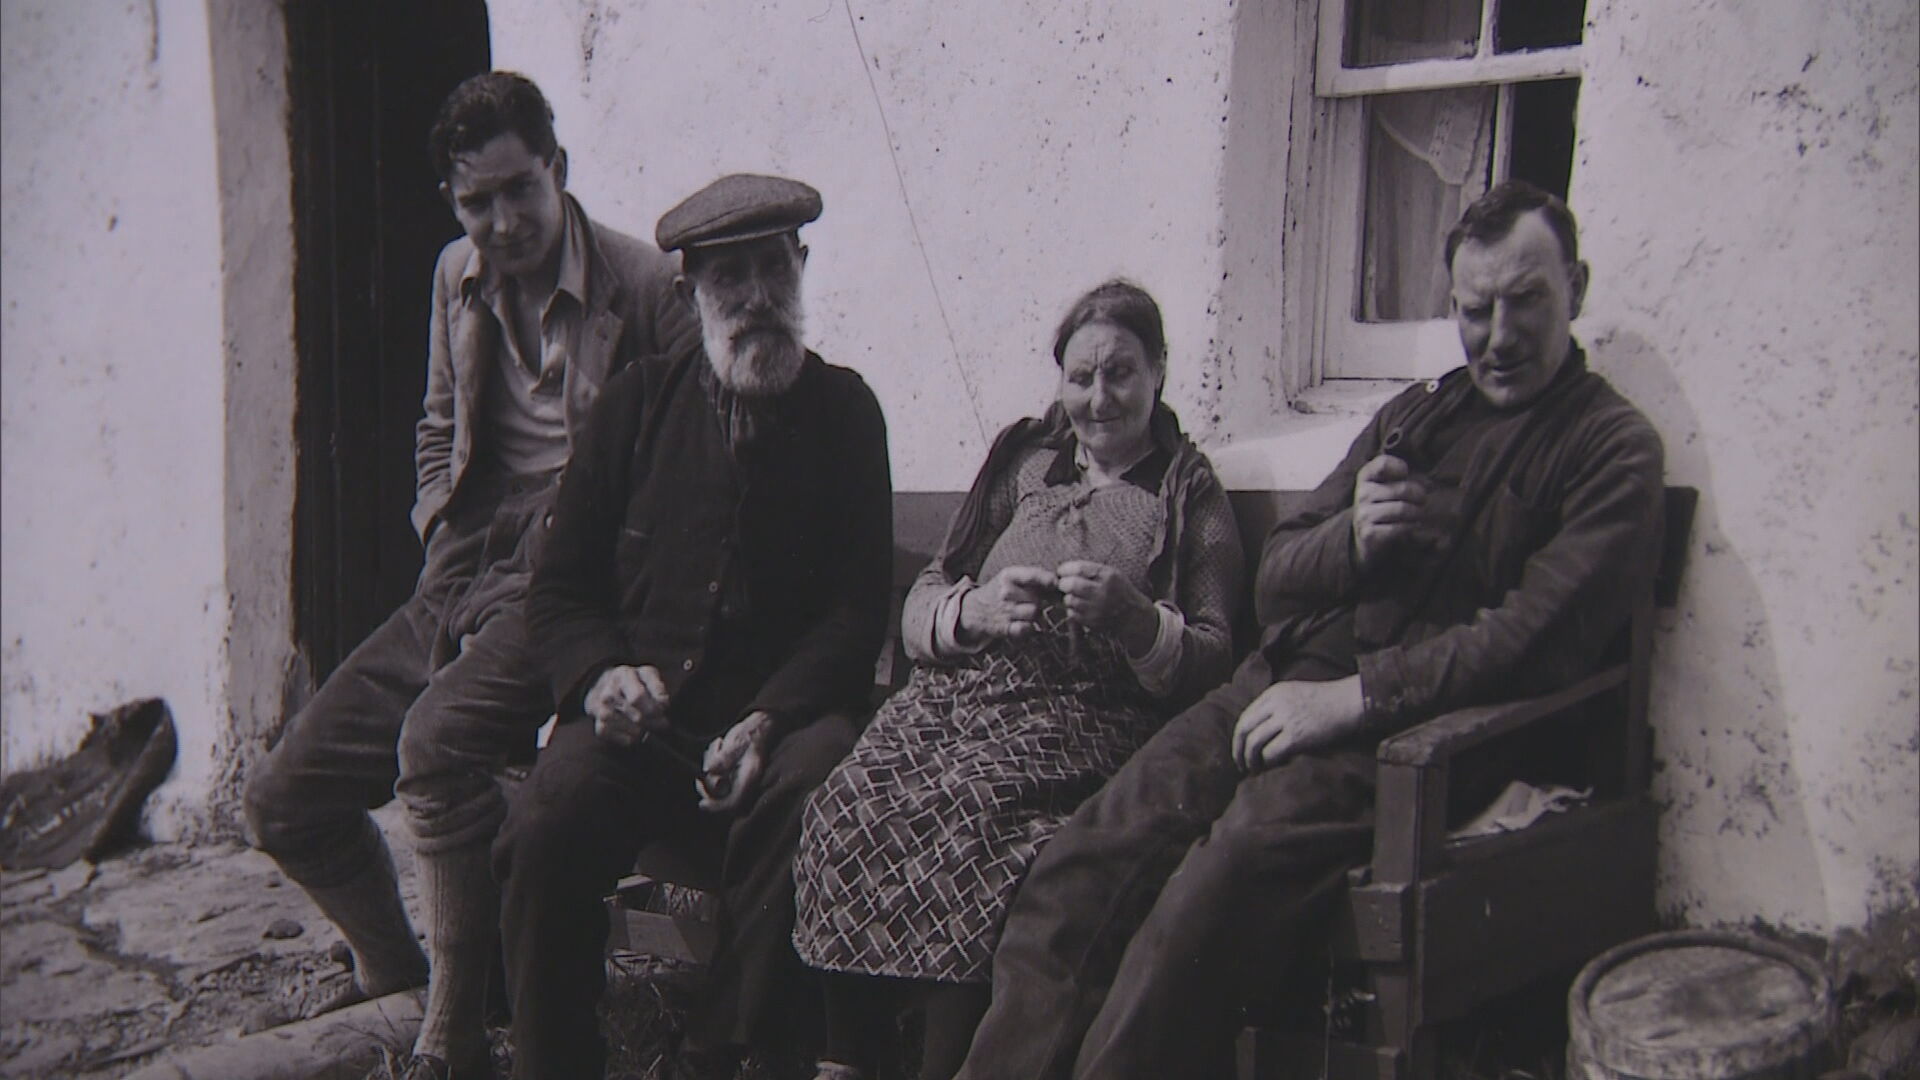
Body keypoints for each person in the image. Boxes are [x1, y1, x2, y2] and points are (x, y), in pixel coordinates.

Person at [953, 180, 1668, 1079]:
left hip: (1417, 737)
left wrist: (1357, 701)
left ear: (1578, 287)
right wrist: (1355, 543)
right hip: (1280, 687)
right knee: (1082, 861)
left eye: (1526, 301)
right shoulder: (1420, 413)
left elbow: (1535, 640)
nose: (1498, 334)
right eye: (1474, 309)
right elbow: (1281, 572)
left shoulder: (1610, 447)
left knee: (1208, 896)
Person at [242, 71, 696, 1080]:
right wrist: (435, 529)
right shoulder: (456, 276)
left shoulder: (647, 287)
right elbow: (438, 424)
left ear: (558, 171)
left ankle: (452, 1037)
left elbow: (676, 473)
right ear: (453, 202)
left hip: (572, 583)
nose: (501, 222)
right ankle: (404, 969)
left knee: (434, 748)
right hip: (462, 569)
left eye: (518, 191)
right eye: (475, 201)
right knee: (283, 799)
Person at [492, 174, 893, 1080]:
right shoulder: (632, 406)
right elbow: (557, 592)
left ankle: (721, 1053)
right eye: (730, 280)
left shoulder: (847, 413)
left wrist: (769, 717)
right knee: (545, 821)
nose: (756, 300)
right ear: (689, 294)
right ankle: (554, 1063)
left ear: (801, 266)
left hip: (781, 719)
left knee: (811, 789)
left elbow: (854, 610)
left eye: (771, 270)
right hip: (647, 725)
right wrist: (600, 677)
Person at [792, 281, 1245, 1080]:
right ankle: (850, 1060)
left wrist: (1135, 619)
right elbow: (927, 595)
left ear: (1160, 372)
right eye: (1081, 377)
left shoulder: (1187, 491)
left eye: (1120, 374)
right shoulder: (1026, 463)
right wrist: (976, 611)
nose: (1098, 398)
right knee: (849, 799)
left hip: (1085, 721)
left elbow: (1214, 658)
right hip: (958, 704)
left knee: (978, 828)